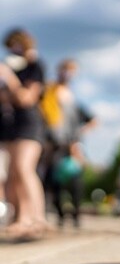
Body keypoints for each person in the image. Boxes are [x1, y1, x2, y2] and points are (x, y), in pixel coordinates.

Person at [0, 29, 47, 241]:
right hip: (11, 126)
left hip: (30, 124)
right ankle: (20, 218)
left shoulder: (34, 67)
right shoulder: (11, 67)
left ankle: (36, 218)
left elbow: (26, 98)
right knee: (13, 175)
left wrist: (10, 79)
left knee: (24, 168)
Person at [39, 59, 96, 228]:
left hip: (72, 145)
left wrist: (78, 135)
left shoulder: (73, 98)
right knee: (53, 181)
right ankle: (61, 214)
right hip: (54, 144)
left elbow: (92, 119)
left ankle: (76, 215)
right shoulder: (50, 91)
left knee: (76, 181)